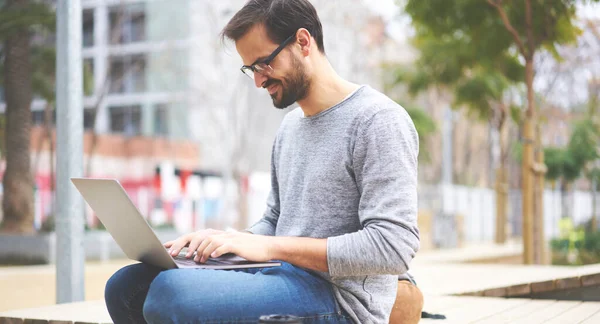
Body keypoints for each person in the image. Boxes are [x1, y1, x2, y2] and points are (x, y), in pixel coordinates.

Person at [104, 0, 421, 323]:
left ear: (302, 41)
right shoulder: (291, 128)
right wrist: (225, 241)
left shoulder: (378, 121)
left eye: (264, 64)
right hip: (280, 275)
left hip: (340, 300)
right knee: (126, 286)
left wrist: (271, 248)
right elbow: (274, 219)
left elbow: (394, 246)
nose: (258, 81)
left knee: (173, 294)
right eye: (251, 69)